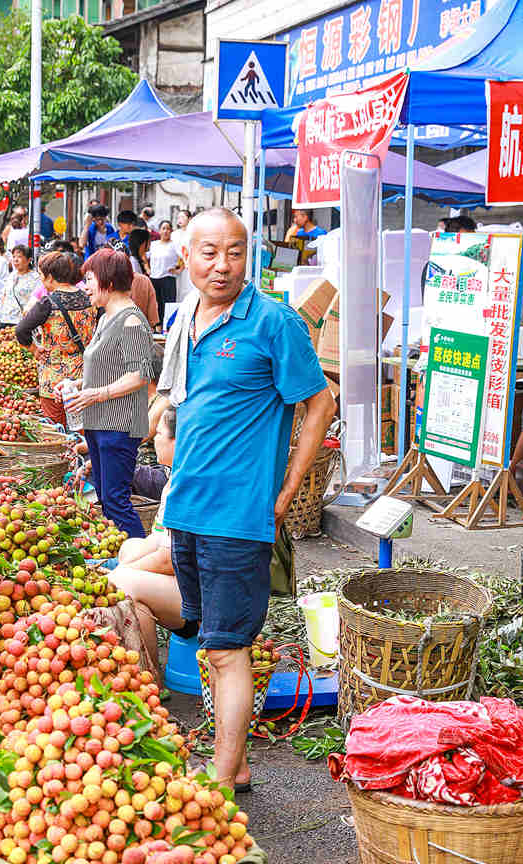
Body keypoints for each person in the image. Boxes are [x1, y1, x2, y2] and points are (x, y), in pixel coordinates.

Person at [155, 208, 335, 790]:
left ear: (248, 255)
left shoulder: (274, 323)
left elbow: (319, 404)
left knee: (230, 650)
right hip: (187, 505)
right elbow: (184, 397)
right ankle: (238, 762)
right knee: (211, 640)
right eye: (209, 251)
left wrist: (287, 487)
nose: (222, 264)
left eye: (235, 251)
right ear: (186, 257)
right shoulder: (187, 316)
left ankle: (223, 774)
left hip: (237, 515)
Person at [64, 247, 155, 537]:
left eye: (89, 279)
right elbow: (109, 366)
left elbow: (141, 374)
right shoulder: (105, 318)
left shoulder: (131, 320)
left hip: (118, 425)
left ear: (109, 281)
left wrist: (96, 394)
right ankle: (121, 558)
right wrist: (78, 385)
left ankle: (138, 557)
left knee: (116, 501)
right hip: (98, 422)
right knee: (105, 498)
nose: (85, 287)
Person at [108, 406, 190, 673]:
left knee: (120, 582)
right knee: (129, 546)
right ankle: (149, 672)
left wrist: (123, 572)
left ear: (178, 440)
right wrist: (127, 561)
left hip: (205, 597)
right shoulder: (175, 477)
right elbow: (158, 539)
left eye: (159, 433)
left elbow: (168, 560)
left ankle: (148, 682)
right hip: (188, 580)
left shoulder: (186, 485)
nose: (154, 439)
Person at [16, 249, 96, 425]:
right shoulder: (90, 298)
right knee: (82, 428)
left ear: (51, 277)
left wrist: (34, 349)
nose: (41, 281)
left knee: (56, 428)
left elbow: (21, 331)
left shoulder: (47, 303)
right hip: (85, 376)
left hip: (53, 378)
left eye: (41, 276)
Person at [150, 219, 183, 328]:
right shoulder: (153, 245)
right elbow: (145, 257)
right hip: (154, 278)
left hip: (168, 278)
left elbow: (184, 258)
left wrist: (178, 270)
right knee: (156, 304)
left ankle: (168, 327)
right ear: (159, 231)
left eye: (168, 229)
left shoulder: (174, 245)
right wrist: (147, 268)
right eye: (163, 228)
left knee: (168, 304)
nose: (166, 231)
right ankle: (157, 327)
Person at [0, 244, 40, 327]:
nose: (15, 260)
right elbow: (4, 295)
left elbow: (38, 299)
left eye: (19, 257)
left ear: (29, 260)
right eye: (14, 257)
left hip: (22, 322)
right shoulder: (11, 276)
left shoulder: (35, 278)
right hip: (6, 320)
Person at [171, 210, 193, 302]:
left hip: (189, 265)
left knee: (189, 288)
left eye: (183, 217)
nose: (180, 220)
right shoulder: (174, 234)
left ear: (189, 219)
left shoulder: (193, 234)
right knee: (178, 290)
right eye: (178, 217)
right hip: (177, 265)